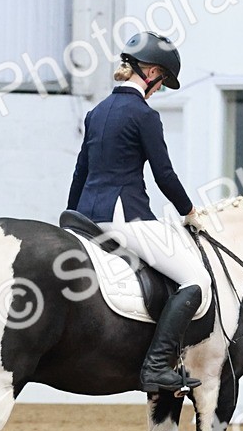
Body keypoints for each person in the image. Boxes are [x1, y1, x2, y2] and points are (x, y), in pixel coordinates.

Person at [67, 31, 212, 394]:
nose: (160, 89)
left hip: (87, 218)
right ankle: (157, 366)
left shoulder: (96, 113)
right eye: (162, 81)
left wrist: (70, 217)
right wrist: (190, 211)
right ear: (150, 72)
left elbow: (80, 172)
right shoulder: (144, 115)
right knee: (197, 281)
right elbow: (164, 174)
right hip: (124, 217)